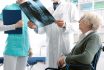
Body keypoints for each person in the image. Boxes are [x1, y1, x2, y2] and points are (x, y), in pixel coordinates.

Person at [28, 0, 79, 68]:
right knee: (51, 67)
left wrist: (65, 25)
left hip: (64, 46)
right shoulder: (48, 10)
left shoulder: (70, 6)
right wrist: (35, 27)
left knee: (63, 67)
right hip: (51, 46)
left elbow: (76, 26)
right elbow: (43, 29)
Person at [0, 0, 32, 70]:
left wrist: (30, 47)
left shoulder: (28, 10)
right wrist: (15, 25)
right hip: (11, 49)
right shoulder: (8, 8)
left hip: (25, 50)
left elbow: (25, 31)